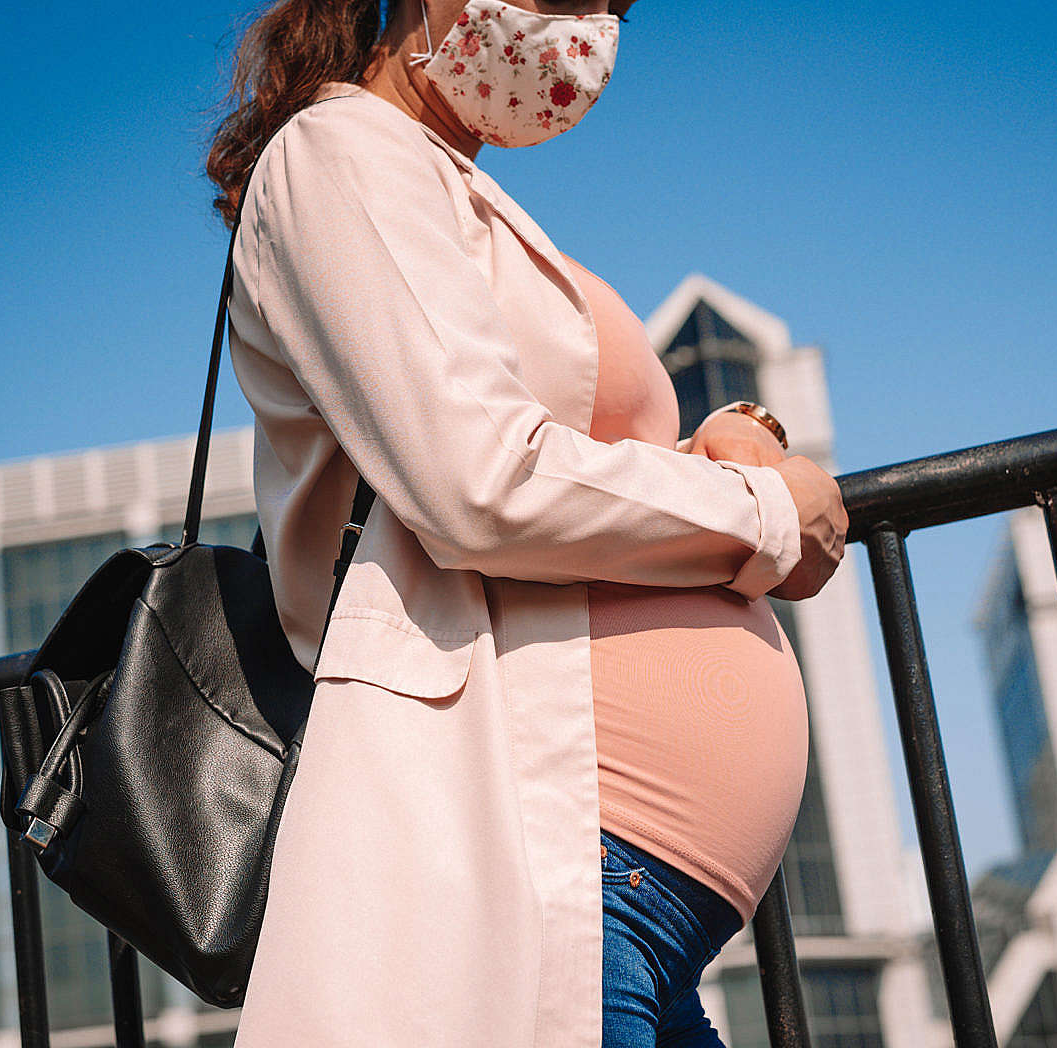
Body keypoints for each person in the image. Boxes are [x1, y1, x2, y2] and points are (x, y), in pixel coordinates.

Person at [206, 1, 847, 1044]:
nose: (593, 30)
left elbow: (536, 462)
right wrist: (766, 517)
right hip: (544, 862)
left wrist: (715, 446)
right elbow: (481, 482)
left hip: (618, 905)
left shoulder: (438, 179)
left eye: (616, 6)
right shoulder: (339, 151)